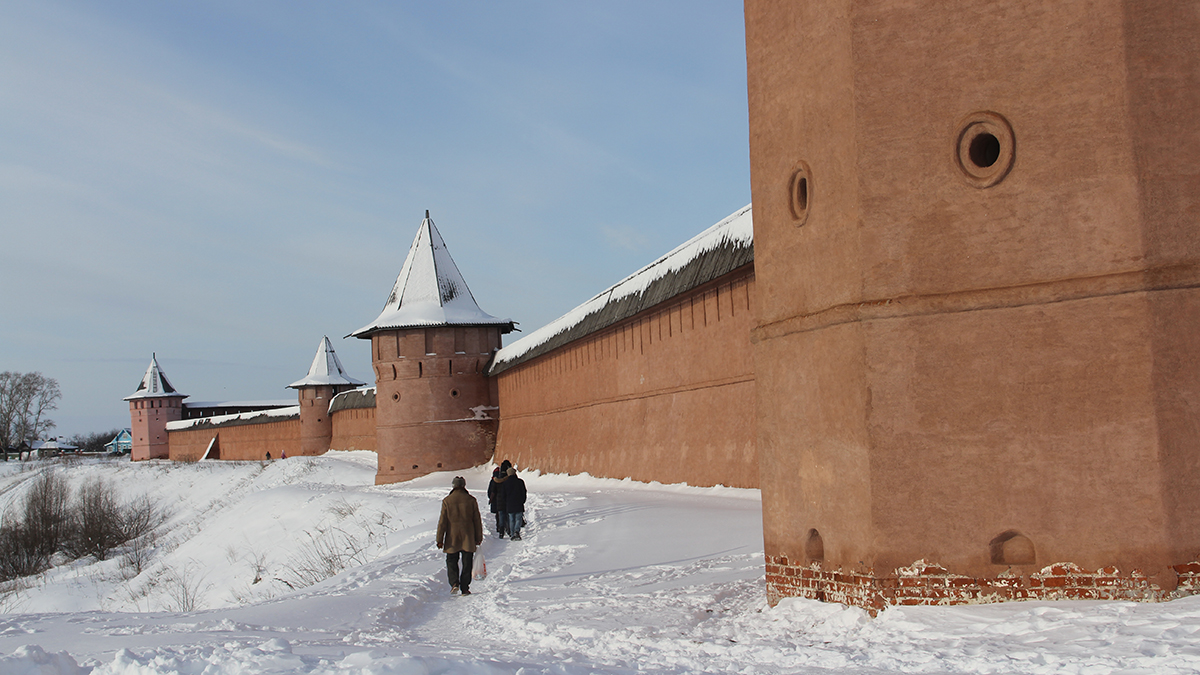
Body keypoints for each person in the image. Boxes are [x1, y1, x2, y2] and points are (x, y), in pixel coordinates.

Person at [436, 476, 483, 595]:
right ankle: (465, 587)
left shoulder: (447, 501)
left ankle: (454, 582)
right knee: (467, 562)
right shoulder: (471, 500)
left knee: (451, 561)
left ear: (453, 486)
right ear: (464, 486)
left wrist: (439, 539)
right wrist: (478, 537)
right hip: (468, 536)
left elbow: (442, 522)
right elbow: (477, 520)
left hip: (452, 537)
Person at [500, 466, 527, 540]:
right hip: (519, 503)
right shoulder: (520, 482)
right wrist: (522, 500)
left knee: (511, 519)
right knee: (518, 518)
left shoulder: (505, 483)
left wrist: (506, 502)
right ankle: (516, 532)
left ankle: (512, 534)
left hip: (510, 504)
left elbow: (503, 495)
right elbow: (524, 492)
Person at [487, 460, 512, 538]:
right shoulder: (508, 480)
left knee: (500, 516)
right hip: (507, 501)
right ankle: (508, 530)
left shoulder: (495, 480)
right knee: (507, 516)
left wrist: (492, 499)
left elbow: (491, 491)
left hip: (498, 501)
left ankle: (501, 530)